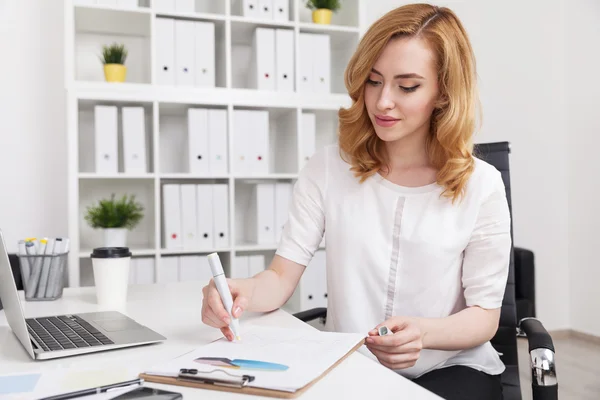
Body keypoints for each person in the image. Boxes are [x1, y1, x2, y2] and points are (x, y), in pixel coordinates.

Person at [201, 3, 510, 399]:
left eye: (407, 86)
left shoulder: (482, 185)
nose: (383, 102)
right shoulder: (328, 168)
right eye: (374, 80)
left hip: (450, 365)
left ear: (443, 93)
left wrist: (424, 333)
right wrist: (235, 292)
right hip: (350, 363)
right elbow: (279, 280)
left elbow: (484, 317)